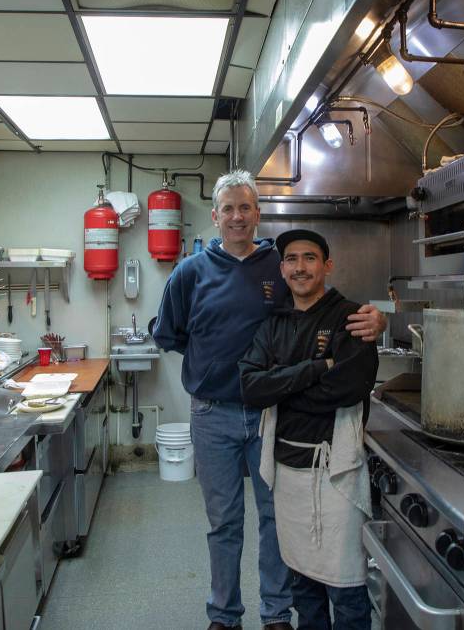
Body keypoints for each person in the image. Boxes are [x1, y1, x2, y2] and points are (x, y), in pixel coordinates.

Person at [152, 170, 385, 630]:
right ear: (215, 216)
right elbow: (170, 334)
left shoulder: (278, 265)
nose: (237, 217)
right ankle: (224, 614)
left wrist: (375, 320)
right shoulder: (189, 272)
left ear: (257, 214)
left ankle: (276, 613)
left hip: (269, 416)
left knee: (274, 518)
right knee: (224, 522)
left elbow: (317, 301)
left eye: (246, 208)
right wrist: (213, 363)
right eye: (228, 209)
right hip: (212, 413)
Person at [239, 229, 377, 630]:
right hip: (288, 473)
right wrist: (317, 369)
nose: (301, 267)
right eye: (292, 259)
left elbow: (349, 388)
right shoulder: (273, 324)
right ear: (282, 269)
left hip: (335, 473)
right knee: (303, 588)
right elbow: (250, 387)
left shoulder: (350, 317)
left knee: (347, 588)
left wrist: (280, 387)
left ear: (326, 265)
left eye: (310, 258)